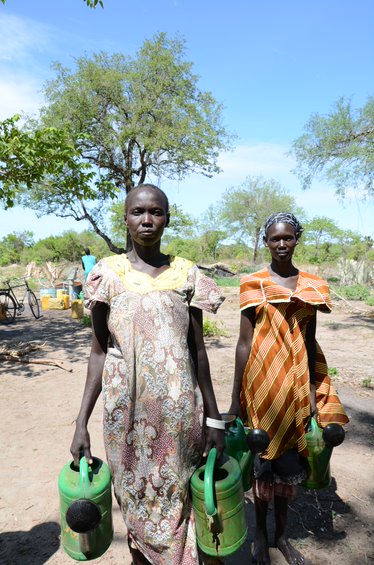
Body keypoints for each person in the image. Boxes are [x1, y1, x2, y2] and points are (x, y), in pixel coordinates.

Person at [70, 184, 225, 565]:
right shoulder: (106, 274)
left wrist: (214, 417)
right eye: (138, 212)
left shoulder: (186, 273)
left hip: (178, 417)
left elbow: (197, 350)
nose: (147, 220)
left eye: (156, 212)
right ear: (125, 219)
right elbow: (98, 351)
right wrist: (80, 423)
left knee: (177, 502)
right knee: (136, 503)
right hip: (126, 417)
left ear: (167, 219)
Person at [229, 212, 349, 565]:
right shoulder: (253, 284)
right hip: (262, 383)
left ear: (297, 238)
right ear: (265, 241)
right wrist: (235, 398)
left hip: (296, 383)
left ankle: (281, 536)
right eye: (274, 238)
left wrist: (313, 390)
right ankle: (261, 538)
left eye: (288, 237)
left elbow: (311, 340)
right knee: (263, 460)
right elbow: (242, 342)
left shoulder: (312, 285)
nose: (281, 244)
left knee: (289, 464)